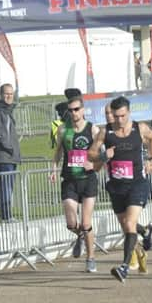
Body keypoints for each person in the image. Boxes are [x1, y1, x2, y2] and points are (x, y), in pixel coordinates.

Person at [89, 96, 152, 283]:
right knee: (127, 227)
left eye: (122, 115)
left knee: (129, 224)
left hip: (137, 184)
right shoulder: (105, 132)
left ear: (129, 112)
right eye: (116, 116)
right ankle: (144, 235)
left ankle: (124, 267)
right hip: (116, 186)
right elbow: (91, 154)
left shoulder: (139, 128)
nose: (119, 120)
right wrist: (104, 155)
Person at [51, 96, 101, 273]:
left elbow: (103, 154)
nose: (74, 113)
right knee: (72, 223)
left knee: (86, 222)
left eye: (77, 109)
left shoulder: (93, 130)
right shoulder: (63, 130)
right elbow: (57, 152)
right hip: (70, 180)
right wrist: (53, 169)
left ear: (83, 109)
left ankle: (91, 258)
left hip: (87, 180)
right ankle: (79, 236)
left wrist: (95, 165)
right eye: (71, 110)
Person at [0, 81, 21, 223]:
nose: (9, 96)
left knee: (7, 187)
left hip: (9, 156)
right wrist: (10, 148)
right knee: (6, 187)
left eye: (11, 94)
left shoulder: (6, 112)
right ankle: (6, 216)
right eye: (6, 94)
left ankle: (6, 215)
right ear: (1, 95)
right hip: (5, 156)